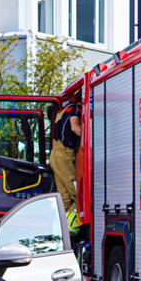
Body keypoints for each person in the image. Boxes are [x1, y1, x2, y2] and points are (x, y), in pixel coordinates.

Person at [50, 100, 82, 234]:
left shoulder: (62, 111)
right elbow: (74, 128)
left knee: (64, 197)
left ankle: (59, 230)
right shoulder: (74, 109)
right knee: (78, 195)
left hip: (55, 155)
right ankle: (70, 229)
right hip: (65, 154)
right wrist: (91, 136)